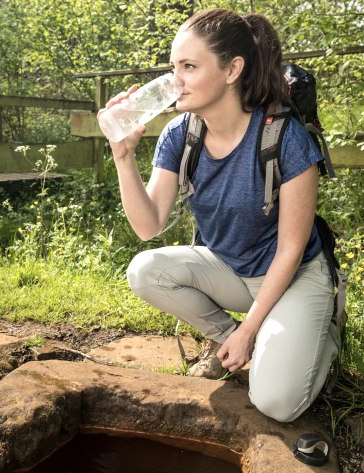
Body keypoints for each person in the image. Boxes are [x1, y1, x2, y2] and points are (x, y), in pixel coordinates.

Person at [98, 8, 339, 423]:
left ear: (232, 70)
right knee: (145, 269)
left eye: (189, 67)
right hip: (232, 272)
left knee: (276, 403)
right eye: (174, 66)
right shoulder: (181, 134)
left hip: (294, 276)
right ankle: (229, 339)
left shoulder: (284, 137)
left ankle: (325, 338)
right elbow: (147, 226)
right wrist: (123, 156)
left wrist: (251, 329)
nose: (175, 80)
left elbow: (290, 250)